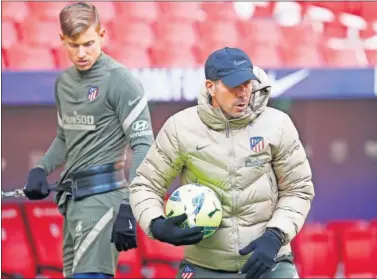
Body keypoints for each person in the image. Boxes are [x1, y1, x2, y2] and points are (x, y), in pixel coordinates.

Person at [129, 47, 315, 279]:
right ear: (211, 87)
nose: (243, 93)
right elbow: (145, 184)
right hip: (203, 265)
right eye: (233, 85)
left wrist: (275, 236)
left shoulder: (278, 124)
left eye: (247, 83)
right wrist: (156, 224)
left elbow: (299, 189)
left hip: (269, 261)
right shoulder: (180, 127)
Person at [23, 2, 154, 278]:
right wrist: (41, 169)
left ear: (102, 34)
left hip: (104, 200)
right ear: (62, 40)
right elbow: (64, 138)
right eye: (73, 45)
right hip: (72, 203)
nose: (81, 53)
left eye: (89, 43)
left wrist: (130, 206)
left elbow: (144, 145)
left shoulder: (121, 80)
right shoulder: (64, 83)